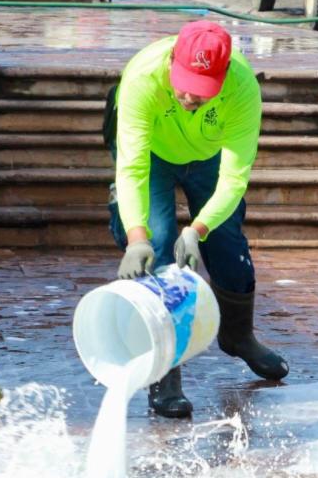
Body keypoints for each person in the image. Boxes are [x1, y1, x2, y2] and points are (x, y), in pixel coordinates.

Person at [109, 21, 289, 418]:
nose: (190, 95)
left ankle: (239, 336)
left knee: (227, 243)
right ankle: (165, 366)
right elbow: (132, 168)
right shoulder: (142, 78)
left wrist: (198, 229)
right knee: (157, 247)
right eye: (185, 82)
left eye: (203, 87)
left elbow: (235, 177)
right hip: (152, 156)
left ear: (224, 76)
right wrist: (137, 237)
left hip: (207, 156)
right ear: (173, 61)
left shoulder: (242, 88)